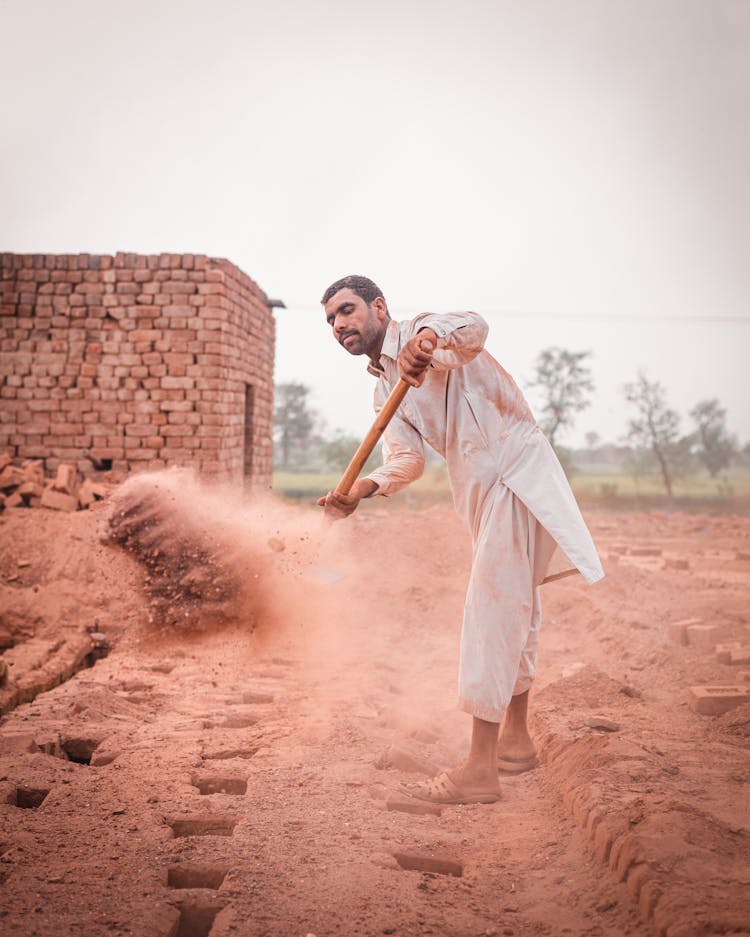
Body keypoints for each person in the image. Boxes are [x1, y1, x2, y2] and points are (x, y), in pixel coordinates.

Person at [317, 275, 604, 805]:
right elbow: (405, 461)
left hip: (514, 473)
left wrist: (424, 344)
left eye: (347, 310)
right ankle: (514, 744)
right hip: (478, 491)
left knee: (491, 609)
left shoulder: (428, 337)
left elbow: (474, 327)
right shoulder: (385, 389)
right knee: (518, 606)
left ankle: (478, 771)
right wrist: (360, 489)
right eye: (331, 320)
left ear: (379, 307)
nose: (340, 325)